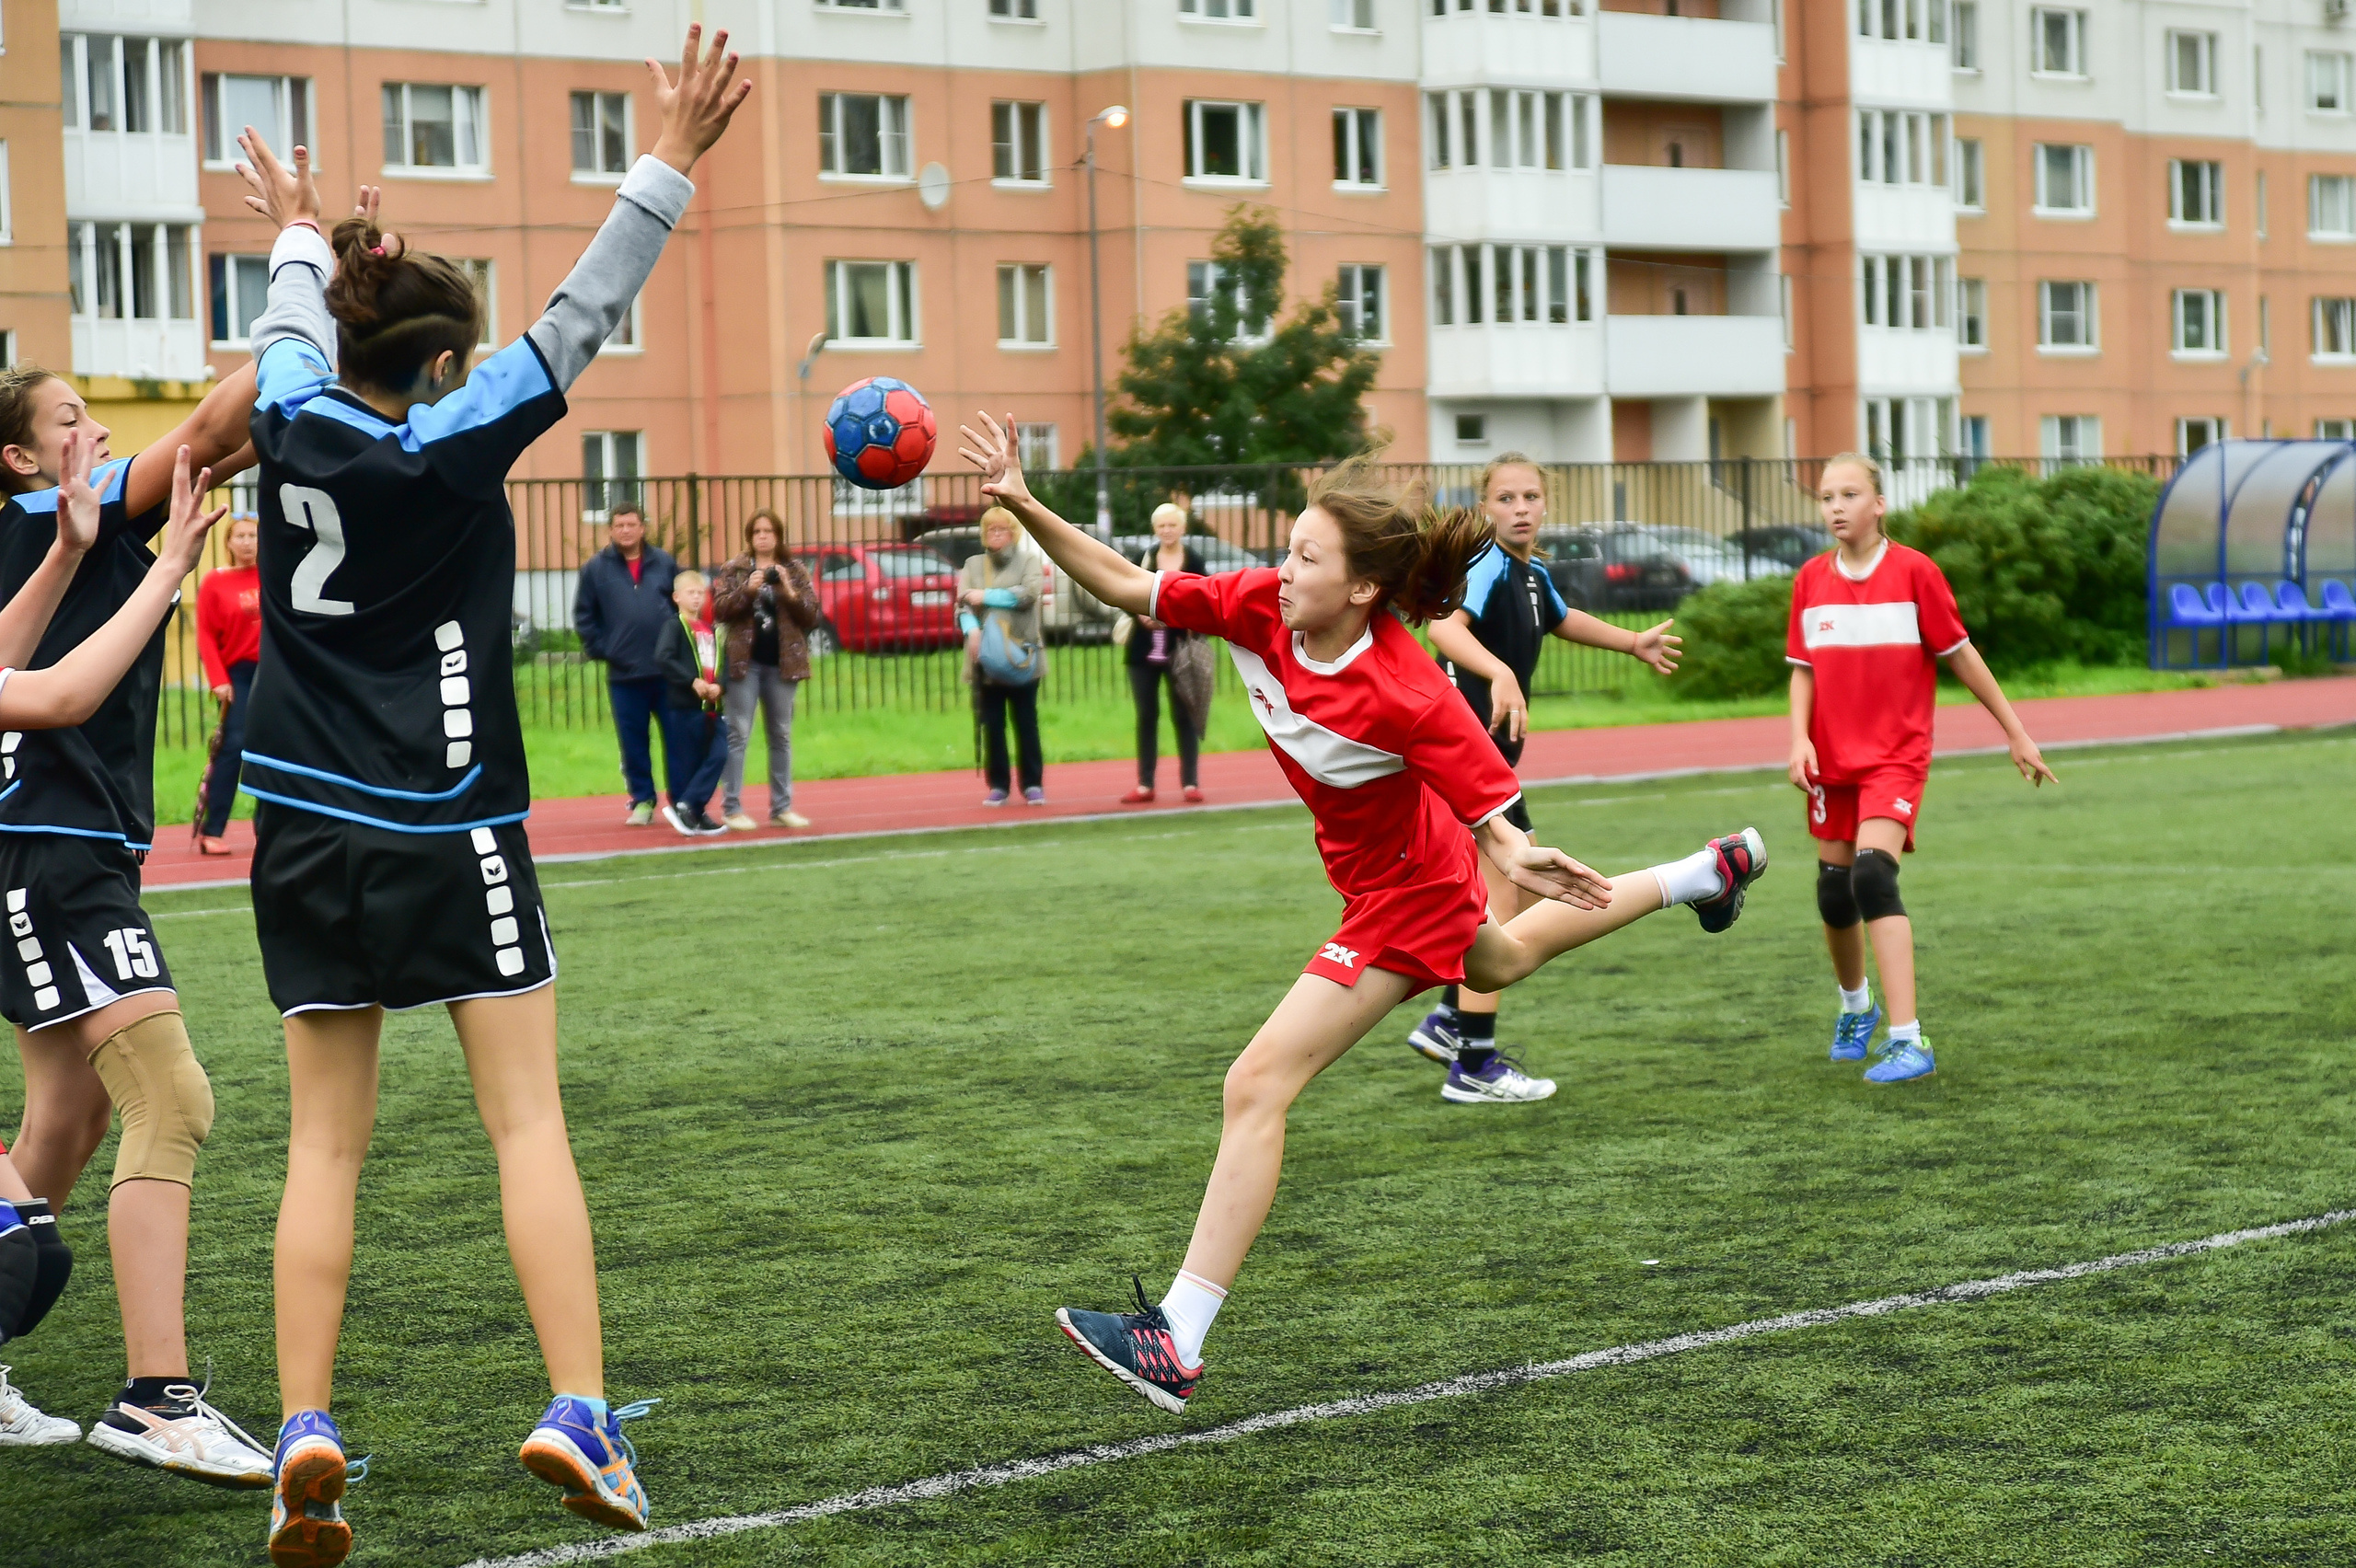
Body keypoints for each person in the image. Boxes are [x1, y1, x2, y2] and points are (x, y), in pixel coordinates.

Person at [960, 411, 1767, 1413]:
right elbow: (1128, 584)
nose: (1282, 569)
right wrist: (1026, 500)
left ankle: (1178, 1334)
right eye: (1288, 548)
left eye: (1307, 557)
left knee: (1257, 1082)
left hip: (1407, 890)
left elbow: (1494, 819)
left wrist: (1517, 851)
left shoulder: (1409, 691)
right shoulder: (1261, 606)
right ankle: (1702, 874)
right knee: (1500, 962)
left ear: (1362, 590)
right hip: (1382, 873)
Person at [230, 34, 745, 1564]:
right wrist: (670, 158)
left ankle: (303, 1428)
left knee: (323, 1148)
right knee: (526, 1120)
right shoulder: (453, 441)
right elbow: (582, 315)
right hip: (445, 824)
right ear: (447, 367)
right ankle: (579, 1406)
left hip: (298, 832)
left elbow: (285, 323)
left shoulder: (286, 412)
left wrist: (304, 230)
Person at [0, 352, 271, 1482]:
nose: (99, 431)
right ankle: (158, 1399)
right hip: (50, 852)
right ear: (20, 459)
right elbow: (207, 431)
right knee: (171, 1095)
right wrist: (318, 305)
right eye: (71, 419)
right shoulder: (42, 514)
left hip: (66, 846)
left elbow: (227, 446)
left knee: (69, 1114)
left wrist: (323, 387)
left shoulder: (64, 530)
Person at [1409, 454, 1682, 1104]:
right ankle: (1473, 1061)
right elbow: (1444, 626)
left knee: (1524, 895)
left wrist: (1632, 642)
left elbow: (1562, 618)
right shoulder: (1484, 562)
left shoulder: (1530, 573)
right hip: (1469, 756)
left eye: (1530, 496)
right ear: (1485, 507)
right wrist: (1499, 672)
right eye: (1506, 498)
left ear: (1545, 504)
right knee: (1506, 897)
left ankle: (1449, 1018)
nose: (1521, 508)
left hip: (1488, 762)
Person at [1788, 453, 2055, 1085]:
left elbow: (1961, 655)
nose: (1836, 507)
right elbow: (1803, 669)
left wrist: (2015, 732)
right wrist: (1798, 739)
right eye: (1827, 497)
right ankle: (1857, 1007)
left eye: (1850, 494)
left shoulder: (1915, 573)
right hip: (1831, 761)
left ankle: (1910, 1040)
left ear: (1879, 504)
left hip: (1895, 757)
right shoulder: (1810, 580)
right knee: (1833, 891)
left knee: (1872, 877)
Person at [572, 501, 678, 826]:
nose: (626, 530)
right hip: (624, 675)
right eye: (619, 525)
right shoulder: (595, 569)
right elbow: (584, 616)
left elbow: (682, 607)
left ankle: (682, 800)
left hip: (667, 672)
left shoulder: (664, 563)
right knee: (633, 743)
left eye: (631, 524)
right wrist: (604, 650)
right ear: (610, 530)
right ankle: (643, 799)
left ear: (642, 528)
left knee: (678, 739)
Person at [710, 510, 817, 831]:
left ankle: (782, 807)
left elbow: (812, 616)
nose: (763, 536)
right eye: (757, 531)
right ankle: (732, 807)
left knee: (781, 735)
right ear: (750, 536)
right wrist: (747, 590)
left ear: (778, 535)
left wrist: (788, 591)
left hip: (782, 663)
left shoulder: (794, 569)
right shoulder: (735, 568)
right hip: (745, 663)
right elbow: (720, 610)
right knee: (738, 733)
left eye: (769, 531)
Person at [959, 505, 1046, 806]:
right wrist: (972, 630)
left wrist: (986, 596)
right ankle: (998, 785)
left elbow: (1029, 594)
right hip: (985, 660)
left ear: (1013, 533)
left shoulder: (1028, 560)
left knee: (1026, 721)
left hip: (1022, 654)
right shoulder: (972, 565)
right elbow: (963, 604)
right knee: (992, 724)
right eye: (991, 529)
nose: (996, 534)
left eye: (1002, 529)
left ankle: (1032, 784)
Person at [1121, 502, 1207, 805]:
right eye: (1162, 526)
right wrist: (1140, 615)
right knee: (1146, 715)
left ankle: (1190, 783)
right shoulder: (1143, 558)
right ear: (1154, 529)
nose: (1167, 531)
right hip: (1143, 650)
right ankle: (1145, 784)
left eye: (1172, 525)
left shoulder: (1194, 561)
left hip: (1181, 648)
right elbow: (1124, 592)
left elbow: (1204, 599)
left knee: (1184, 715)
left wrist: (1180, 618)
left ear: (1183, 528)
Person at [195, 511, 262, 855]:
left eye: (253, 536)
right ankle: (213, 830)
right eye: (241, 536)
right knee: (234, 745)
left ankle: (270, 828)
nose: (248, 543)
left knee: (277, 748)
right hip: (239, 674)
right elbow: (205, 634)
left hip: (274, 672)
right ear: (229, 543)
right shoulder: (214, 583)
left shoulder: (275, 575)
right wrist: (218, 680)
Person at [655, 570, 729, 836]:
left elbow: (724, 664)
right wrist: (692, 681)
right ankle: (688, 809)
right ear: (677, 597)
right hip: (685, 706)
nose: (697, 598)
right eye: (691, 593)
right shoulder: (674, 627)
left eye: (700, 593)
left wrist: (720, 685)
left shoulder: (712, 630)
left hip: (712, 708)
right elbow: (664, 657)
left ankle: (692, 805)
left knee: (719, 753)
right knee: (686, 761)